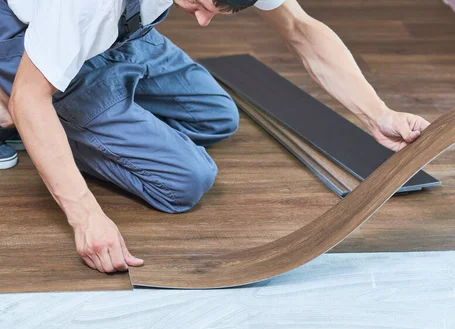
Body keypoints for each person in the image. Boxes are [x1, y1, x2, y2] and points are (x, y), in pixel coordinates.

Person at [0, 0, 430, 273]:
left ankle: (91, 100)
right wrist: (86, 217)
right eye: (201, 2)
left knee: (217, 117)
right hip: (26, 36)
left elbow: (300, 29)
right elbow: (33, 96)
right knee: (186, 179)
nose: (203, 20)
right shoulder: (82, 5)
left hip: (117, 34)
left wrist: (378, 114)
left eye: (219, 9)